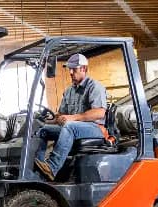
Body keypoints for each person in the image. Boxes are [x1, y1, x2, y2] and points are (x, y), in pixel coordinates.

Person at [35, 53, 107, 181]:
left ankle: (52, 167)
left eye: (74, 69)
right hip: (73, 127)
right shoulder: (69, 91)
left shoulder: (94, 86)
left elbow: (99, 113)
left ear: (83, 69)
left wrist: (72, 118)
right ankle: (39, 168)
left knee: (69, 127)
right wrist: (53, 118)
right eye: (69, 69)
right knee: (44, 130)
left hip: (95, 128)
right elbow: (62, 114)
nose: (70, 72)